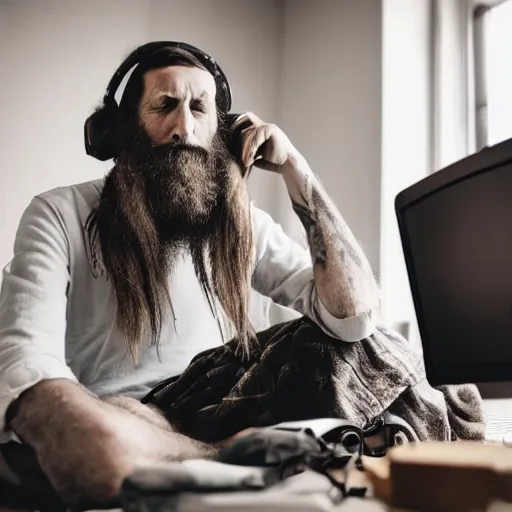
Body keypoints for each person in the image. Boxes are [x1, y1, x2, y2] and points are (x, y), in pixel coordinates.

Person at [0, 42, 380, 506]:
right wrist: (218, 451)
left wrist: (296, 170)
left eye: (200, 108)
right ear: (121, 131)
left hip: (215, 408)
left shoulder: (241, 223)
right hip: (117, 419)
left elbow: (353, 319)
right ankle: (231, 460)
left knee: (370, 351)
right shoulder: (58, 214)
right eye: (165, 106)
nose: (185, 127)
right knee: (92, 430)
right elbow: (24, 363)